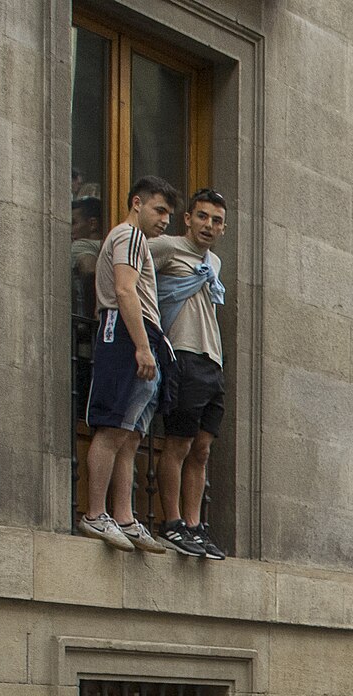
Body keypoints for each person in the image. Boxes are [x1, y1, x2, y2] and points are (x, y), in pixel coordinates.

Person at [75, 175, 178, 554]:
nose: (165, 220)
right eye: (159, 209)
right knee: (114, 428)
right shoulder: (129, 236)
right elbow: (123, 290)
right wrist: (141, 347)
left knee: (131, 435)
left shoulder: (136, 241)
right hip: (125, 332)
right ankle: (96, 513)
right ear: (137, 203)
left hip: (143, 333)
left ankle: (124, 516)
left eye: (169, 213)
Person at [150, 188, 228, 560]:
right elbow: (129, 269)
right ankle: (172, 523)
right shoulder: (165, 247)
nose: (208, 225)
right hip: (182, 353)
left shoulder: (214, 264)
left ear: (223, 228)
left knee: (202, 448)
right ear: (188, 218)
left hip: (212, 360)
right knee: (178, 443)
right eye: (202, 216)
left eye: (216, 220)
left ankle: (194, 526)